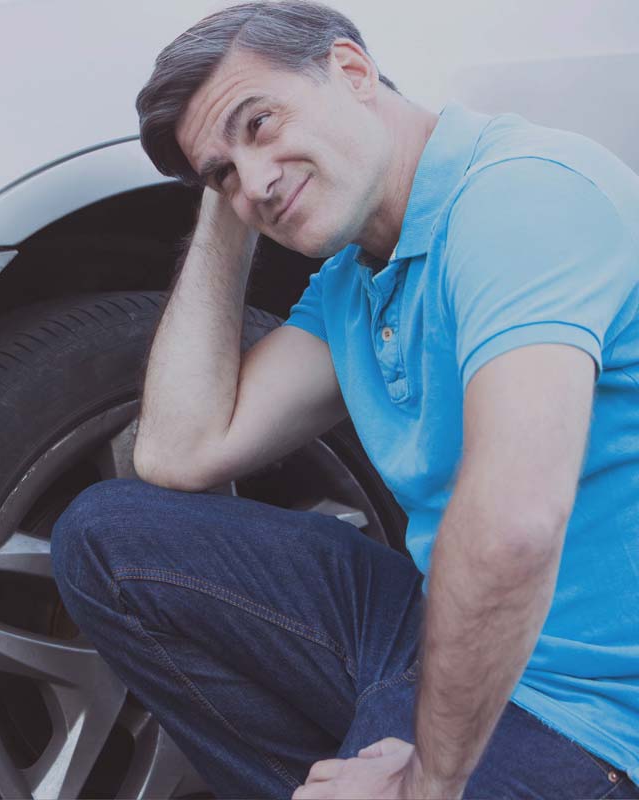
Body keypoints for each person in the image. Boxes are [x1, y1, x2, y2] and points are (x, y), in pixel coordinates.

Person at [49, 2, 639, 798]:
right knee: (108, 538)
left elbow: (513, 529)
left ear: (353, 72)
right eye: (221, 173)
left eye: (259, 122)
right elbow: (178, 452)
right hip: (441, 627)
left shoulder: (518, 201)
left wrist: (424, 785)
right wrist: (228, 210)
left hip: (596, 708)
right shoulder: (355, 280)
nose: (251, 181)